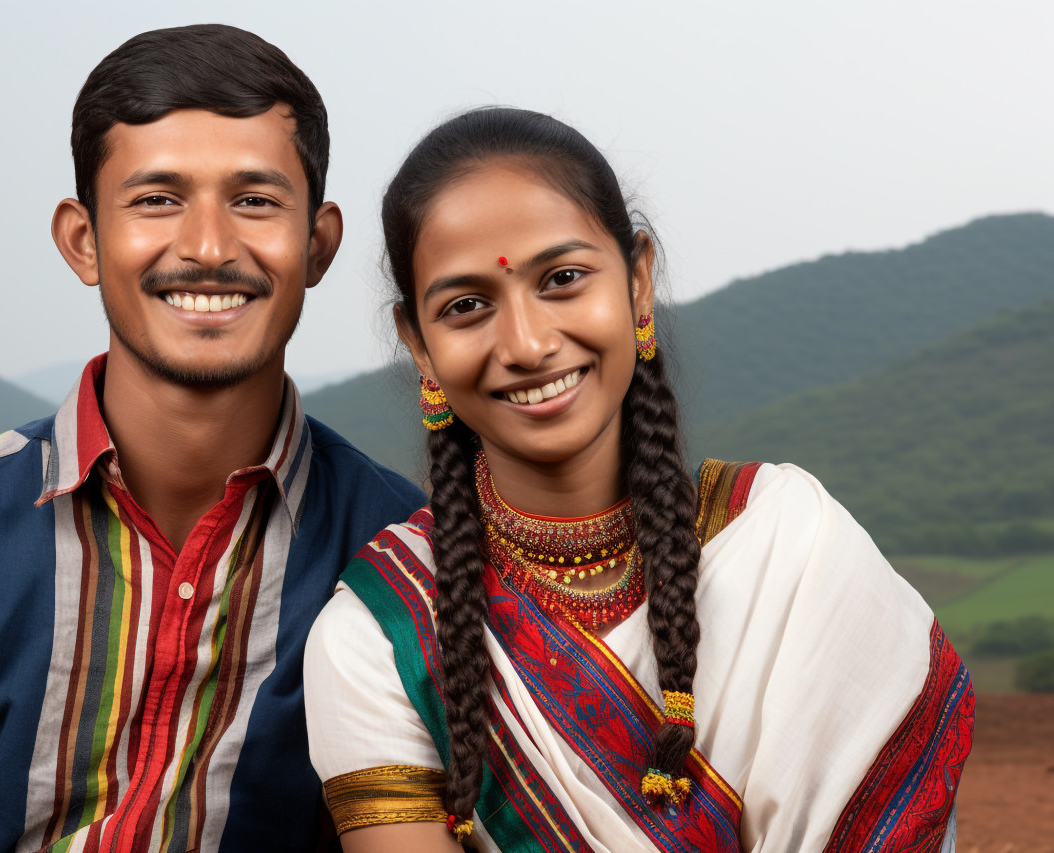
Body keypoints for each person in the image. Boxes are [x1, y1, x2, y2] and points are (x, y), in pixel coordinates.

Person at [0, 24, 424, 853]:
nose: (207, 247)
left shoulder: (404, 551)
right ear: (83, 240)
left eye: (255, 199)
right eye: (157, 198)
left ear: (319, 243)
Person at [303, 108, 973, 852]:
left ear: (640, 281)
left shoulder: (791, 542)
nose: (526, 343)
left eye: (562, 278)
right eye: (466, 306)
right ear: (419, 346)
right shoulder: (379, 636)